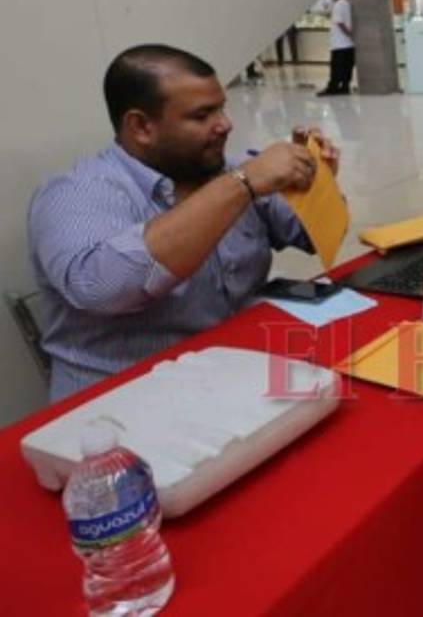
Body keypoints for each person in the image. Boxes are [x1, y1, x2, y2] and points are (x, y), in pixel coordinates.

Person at [28, 44, 340, 401]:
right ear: (141, 126)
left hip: (238, 372)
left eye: (221, 108)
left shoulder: (224, 169)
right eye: (202, 115)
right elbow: (103, 288)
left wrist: (319, 184)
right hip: (125, 402)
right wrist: (241, 185)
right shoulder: (75, 193)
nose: (225, 124)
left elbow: (308, 235)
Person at [318, 0, 354, 95]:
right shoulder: (347, 3)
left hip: (339, 43)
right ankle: (345, 87)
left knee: (337, 67)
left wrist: (348, 33)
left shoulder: (338, 4)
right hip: (349, 44)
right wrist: (350, 36)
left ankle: (333, 87)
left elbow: (339, 22)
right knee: (347, 67)